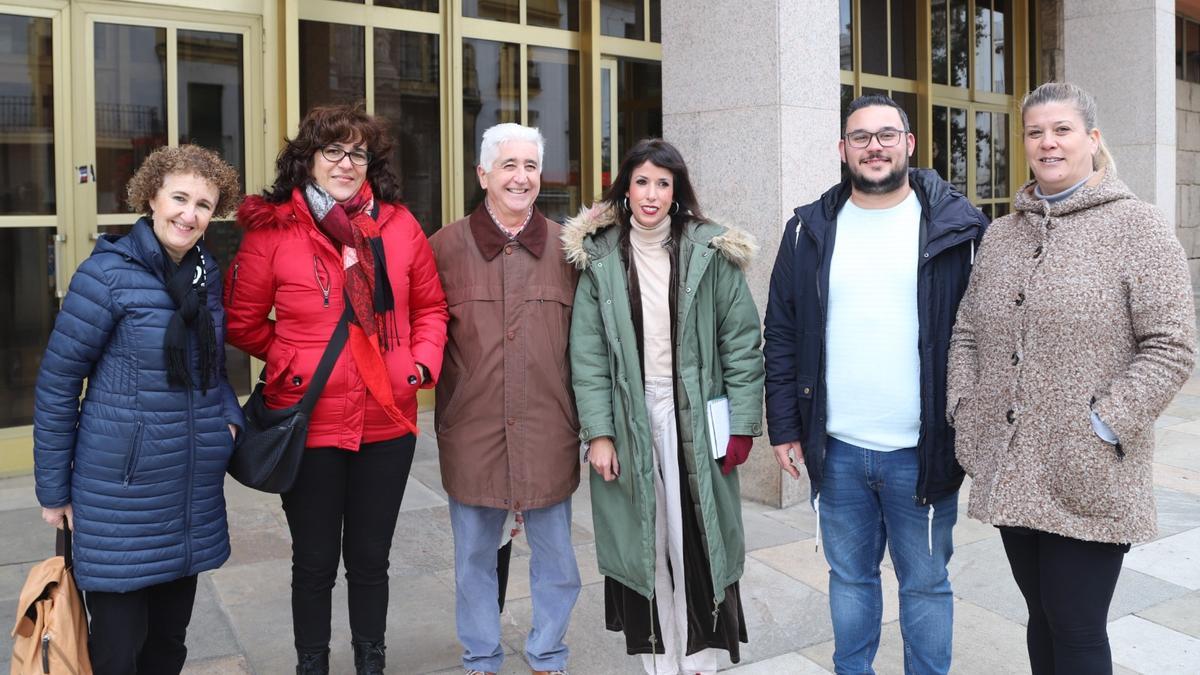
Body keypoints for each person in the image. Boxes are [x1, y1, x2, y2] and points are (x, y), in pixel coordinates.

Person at [947, 82, 1197, 674]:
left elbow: (1171, 346)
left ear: (1092, 139)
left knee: (1078, 627)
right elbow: (967, 332)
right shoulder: (1004, 233)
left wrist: (1104, 424)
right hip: (1011, 465)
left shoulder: (1138, 226)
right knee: (1041, 617)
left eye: (1061, 130)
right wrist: (964, 408)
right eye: (1036, 132)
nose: (1047, 143)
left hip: (1089, 468)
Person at [764, 94, 987, 674]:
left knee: (926, 586)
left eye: (887, 135)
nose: (874, 147)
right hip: (836, 450)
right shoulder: (807, 230)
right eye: (861, 137)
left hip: (922, 449)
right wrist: (784, 426)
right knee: (850, 581)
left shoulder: (958, 230)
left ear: (909, 144)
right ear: (843, 150)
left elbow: (987, 335)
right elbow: (782, 333)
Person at [224, 104, 448, 675]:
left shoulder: (399, 226)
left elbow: (430, 307)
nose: (346, 163)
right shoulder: (273, 230)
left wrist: (417, 368)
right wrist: (294, 359)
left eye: (357, 153)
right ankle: (312, 664)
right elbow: (243, 321)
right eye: (333, 151)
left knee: (371, 558)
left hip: (387, 418)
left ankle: (370, 660)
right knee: (315, 560)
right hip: (310, 416)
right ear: (308, 159)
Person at [33, 144, 244, 675]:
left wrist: (229, 422)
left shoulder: (204, 276)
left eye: (203, 204)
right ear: (150, 197)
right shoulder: (104, 276)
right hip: (119, 497)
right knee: (117, 654)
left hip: (188, 493)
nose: (188, 214)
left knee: (169, 645)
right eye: (179, 198)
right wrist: (53, 490)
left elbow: (213, 368)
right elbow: (59, 383)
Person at [564, 138, 764, 675]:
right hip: (631, 411)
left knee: (694, 533)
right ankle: (659, 658)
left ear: (677, 191)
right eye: (642, 182)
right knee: (644, 539)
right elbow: (586, 357)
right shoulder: (600, 257)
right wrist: (599, 434)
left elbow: (742, 343)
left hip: (694, 413)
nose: (651, 194)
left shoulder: (709, 252)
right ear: (625, 189)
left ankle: (700, 657)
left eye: (663, 183)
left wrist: (740, 425)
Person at [429, 122, 581, 675]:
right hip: (473, 429)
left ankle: (548, 653)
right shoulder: (444, 247)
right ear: (483, 174)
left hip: (548, 427)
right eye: (509, 165)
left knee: (557, 559)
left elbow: (588, 346)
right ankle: (481, 658)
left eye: (531, 166)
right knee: (473, 557)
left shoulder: (570, 249)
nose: (521, 177)